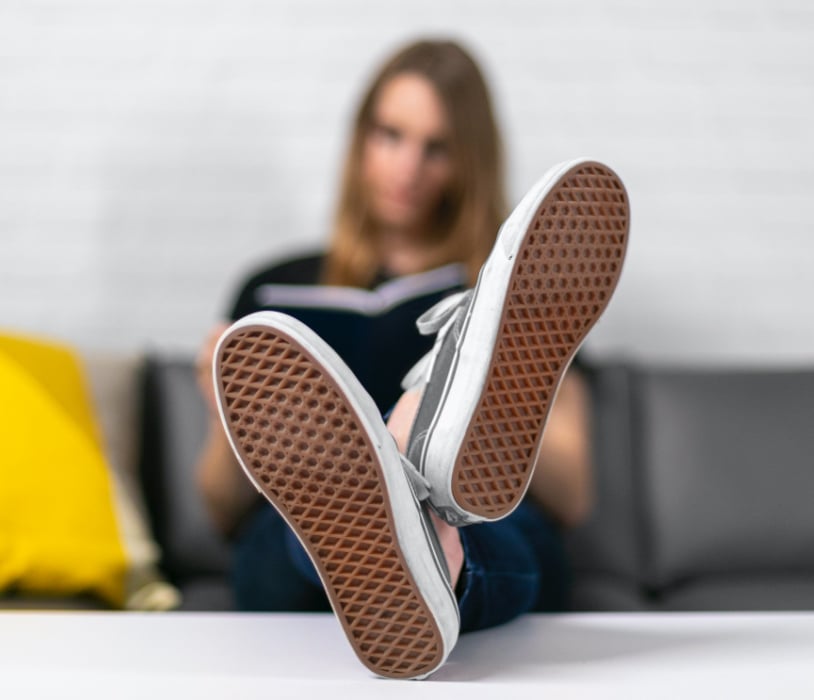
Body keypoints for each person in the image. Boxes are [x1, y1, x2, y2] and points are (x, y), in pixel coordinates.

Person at [195, 40, 627, 678]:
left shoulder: (515, 291)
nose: (408, 167)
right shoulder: (271, 288)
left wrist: (497, 411)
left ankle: (434, 514)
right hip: (296, 532)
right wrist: (231, 415)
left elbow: (571, 495)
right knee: (321, 526)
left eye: (437, 147)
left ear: (469, 160)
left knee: (487, 525)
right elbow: (219, 505)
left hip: (484, 517)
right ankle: (404, 526)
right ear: (360, 138)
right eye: (391, 135)